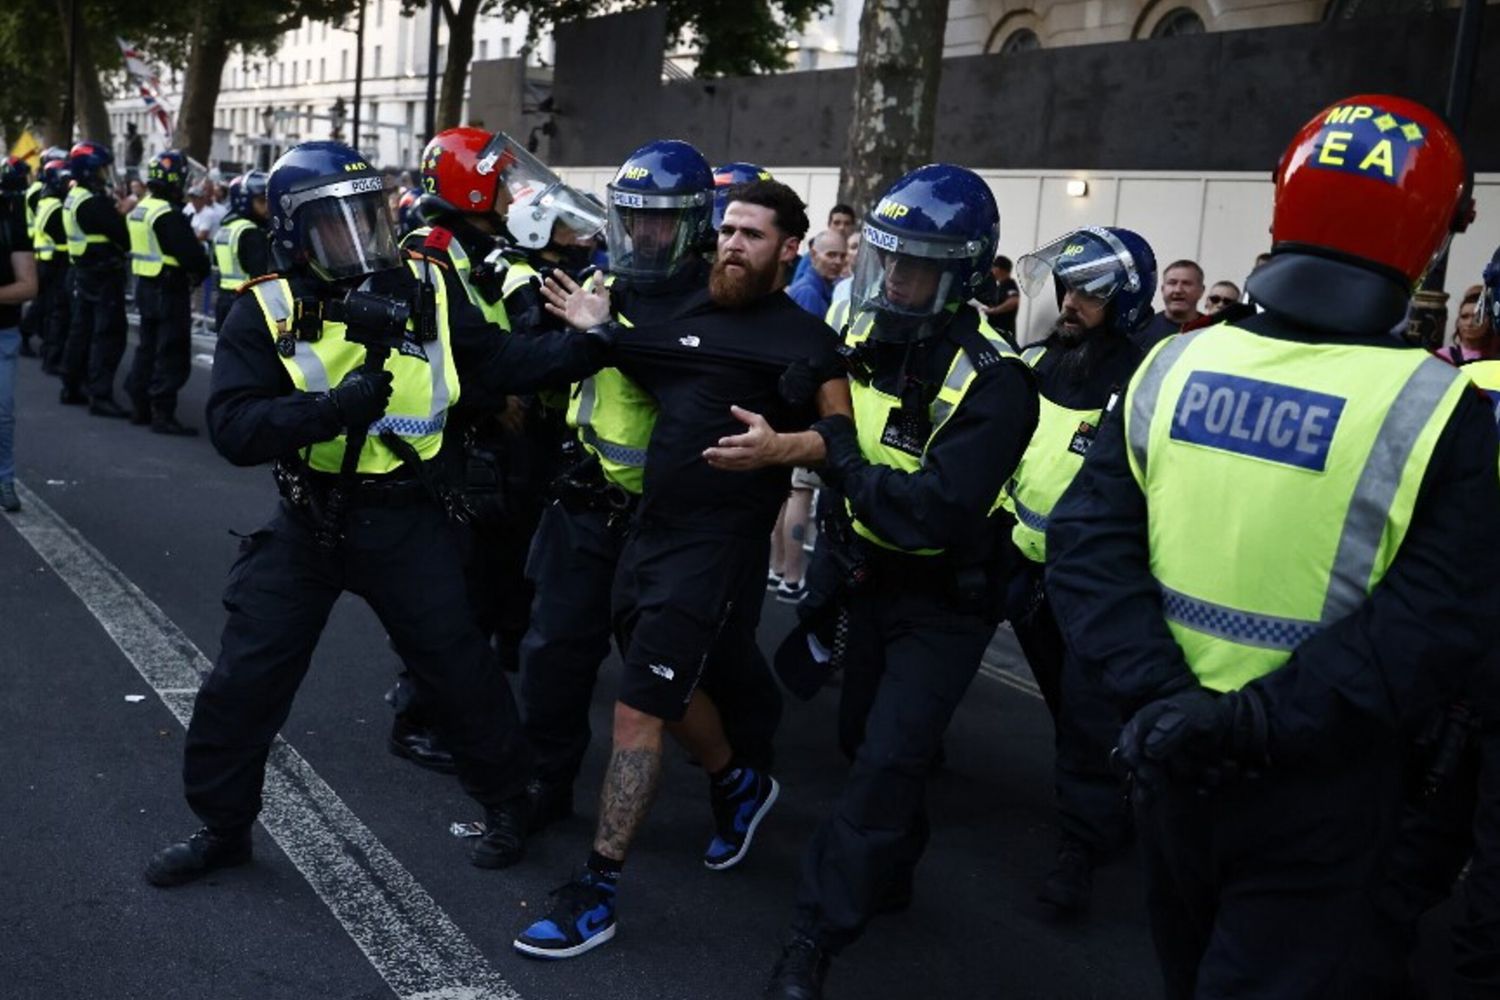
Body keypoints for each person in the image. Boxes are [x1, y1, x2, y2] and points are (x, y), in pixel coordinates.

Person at [1045, 94, 1500, 999]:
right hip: (1322, 785)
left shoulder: (1171, 364)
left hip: (1165, 750)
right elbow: (1434, 621)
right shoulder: (1444, 409)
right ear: (1433, 239)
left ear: (1280, 208)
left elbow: (1088, 549)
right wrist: (1251, 722)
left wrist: (1167, 701)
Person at [142, 140, 614, 888]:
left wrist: (590, 346)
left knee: (459, 671)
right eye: (338, 227)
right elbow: (234, 428)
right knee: (245, 679)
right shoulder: (265, 306)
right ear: (296, 234)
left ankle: (507, 804)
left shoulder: (427, 282)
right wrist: (328, 411)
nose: (362, 245)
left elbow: (494, 362)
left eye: (370, 220)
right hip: (309, 521)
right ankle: (222, 827)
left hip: (405, 517)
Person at [512, 174, 848, 961]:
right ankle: (737, 781)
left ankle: (597, 890)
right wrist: (597, 323)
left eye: (753, 235)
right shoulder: (690, 307)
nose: (733, 244)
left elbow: (846, 441)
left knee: (638, 711)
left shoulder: (805, 340)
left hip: (715, 549)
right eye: (728, 230)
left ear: (789, 249)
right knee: (664, 681)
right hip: (648, 534)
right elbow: (640, 352)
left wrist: (781, 448)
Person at [721, 164, 1037, 999]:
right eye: (887, 260)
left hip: (944, 599)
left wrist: (835, 452)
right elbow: (817, 391)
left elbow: (930, 511)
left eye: (916, 266)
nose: (895, 279)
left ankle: (813, 938)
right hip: (867, 581)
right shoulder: (868, 331)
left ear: (962, 273)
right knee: (869, 740)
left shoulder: (999, 383)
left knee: (885, 763)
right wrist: (794, 393)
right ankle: (890, 866)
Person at [515, 140, 786, 840]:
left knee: (710, 665)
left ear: (695, 225)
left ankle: (741, 780)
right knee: (554, 654)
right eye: (631, 218)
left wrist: (606, 337)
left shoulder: (721, 304)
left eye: (660, 221)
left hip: (680, 525)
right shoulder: (604, 284)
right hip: (591, 505)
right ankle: (539, 791)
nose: (643, 234)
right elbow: (544, 370)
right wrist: (547, 329)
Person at [384, 127, 608, 773]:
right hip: (461, 444)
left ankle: (466, 701)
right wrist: (495, 394)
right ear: (472, 185)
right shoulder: (431, 251)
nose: (515, 191)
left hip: (499, 449)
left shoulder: (478, 247)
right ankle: (416, 717)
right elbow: (439, 352)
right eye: (503, 179)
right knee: (453, 595)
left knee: (494, 585)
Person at [1000, 226, 1156, 918]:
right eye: (1068, 288)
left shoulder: (1151, 373)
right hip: (1021, 567)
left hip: (1098, 581)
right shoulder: (1037, 362)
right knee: (1070, 711)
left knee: (1090, 718)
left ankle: (1083, 848)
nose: (1071, 302)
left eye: (1090, 292)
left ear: (1124, 298)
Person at [124, 149, 211, 435]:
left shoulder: (142, 207)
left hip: (146, 286)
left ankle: (140, 406)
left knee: (147, 348)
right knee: (171, 350)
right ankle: (162, 413)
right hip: (168, 288)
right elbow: (192, 256)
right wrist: (200, 269)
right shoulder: (167, 214)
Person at [60, 140, 131, 415]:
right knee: (108, 335)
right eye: (101, 170)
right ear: (89, 170)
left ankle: (72, 385)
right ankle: (100, 395)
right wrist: (121, 212)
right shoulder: (92, 202)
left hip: (83, 271)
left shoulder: (73, 196)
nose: (104, 175)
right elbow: (121, 236)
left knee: (81, 331)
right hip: (102, 274)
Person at [0, 164, 38, 512]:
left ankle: (4, 478)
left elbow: (28, 285)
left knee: (2, 412)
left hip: (3, 333)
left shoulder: (10, 225)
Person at [212, 171, 272, 331]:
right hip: (246, 303)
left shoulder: (226, 228)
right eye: (261, 201)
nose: (267, 207)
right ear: (244, 201)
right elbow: (261, 273)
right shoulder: (251, 232)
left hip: (224, 299)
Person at [31, 157, 72, 376]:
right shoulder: (56, 206)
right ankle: (52, 355)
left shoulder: (45, 201)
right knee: (57, 312)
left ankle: (49, 350)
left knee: (48, 308)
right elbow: (62, 236)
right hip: (56, 263)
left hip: (46, 261)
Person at [1131, 258, 1204, 349]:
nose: (1178, 290)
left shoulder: (1212, 330)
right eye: (1172, 283)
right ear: (1163, 289)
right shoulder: (1141, 330)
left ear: (1201, 290)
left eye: (1186, 283)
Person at [791, 203, 857, 286]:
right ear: (829, 225)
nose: (842, 227)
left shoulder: (858, 257)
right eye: (837, 223)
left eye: (847, 224)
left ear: (853, 227)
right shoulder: (814, 255)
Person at [786, 230, 847, 318]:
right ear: (813, 255)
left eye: (843, 256)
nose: (838, 261)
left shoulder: (822, 289)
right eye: (831, 255)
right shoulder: (808, 293)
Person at [1437, 284, 1499, 365]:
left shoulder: (1496, 356)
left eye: (1477, 318)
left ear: (1490, 322)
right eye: (1464, 317)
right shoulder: (1443, 356)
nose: (1469, 323)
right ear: (1458, 321)